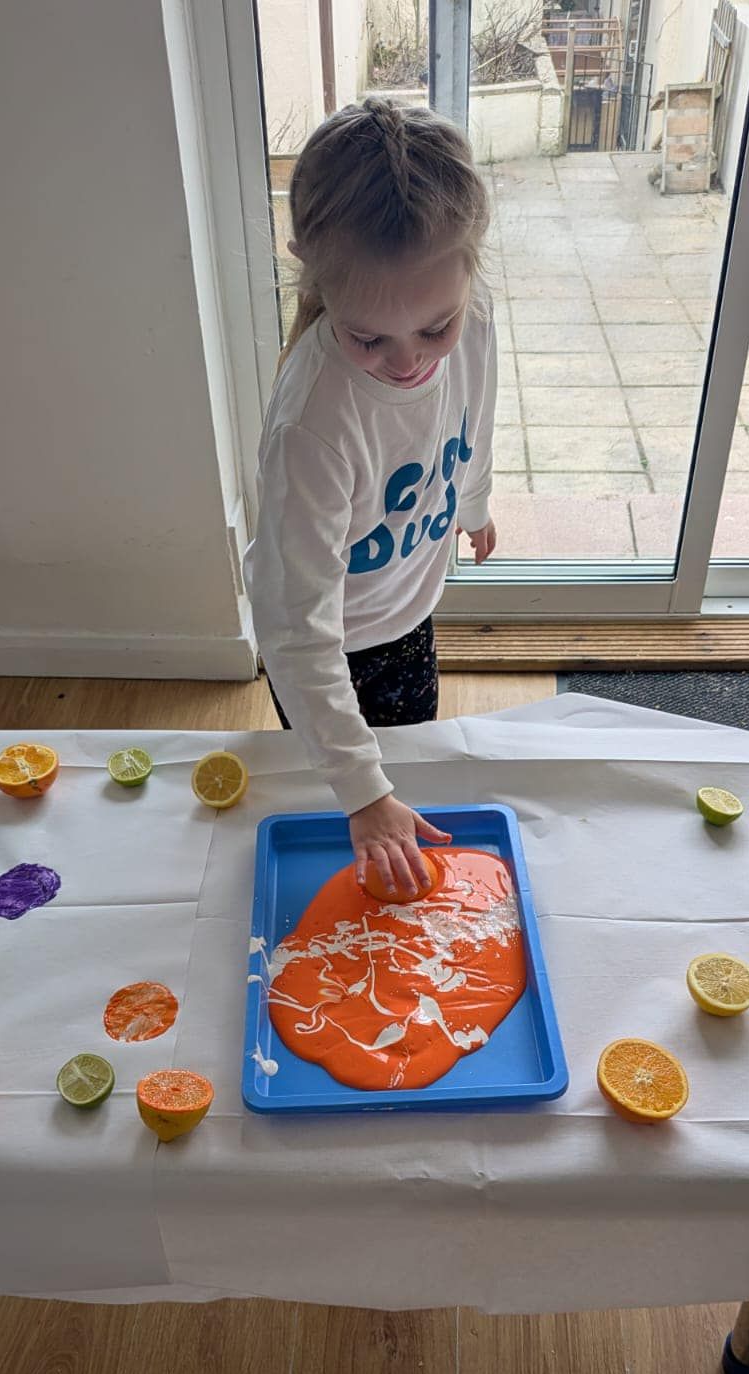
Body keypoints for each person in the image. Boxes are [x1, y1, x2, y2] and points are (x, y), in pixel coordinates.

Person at [245, 97, 498, 899]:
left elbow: (476, 417)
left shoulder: (474, 317)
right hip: (329, 647)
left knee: (411, 759)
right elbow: (293, 628)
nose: (407, 362)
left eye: (435, 328)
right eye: (367, 338)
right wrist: (361, 791)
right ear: (310, 268)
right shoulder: (312, 426)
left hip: (407, 612)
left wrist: (473, 504)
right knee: (345, 792)